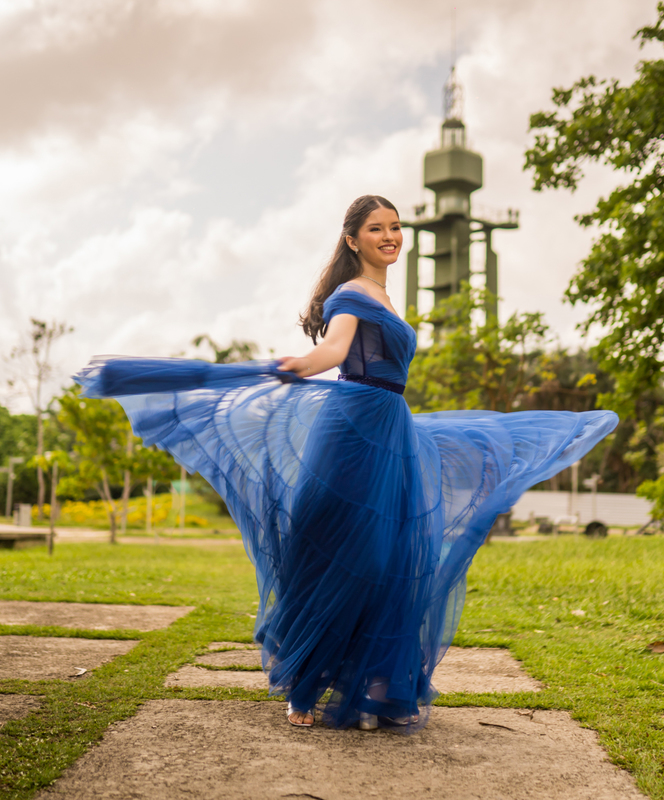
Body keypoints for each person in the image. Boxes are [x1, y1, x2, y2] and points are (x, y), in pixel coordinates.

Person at [75, 195, 618, 732]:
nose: (390, 236)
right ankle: (307, 683)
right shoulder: (351, 294)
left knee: (389, 557)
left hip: (391, 428)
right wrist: (303, 363)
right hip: (352, 426)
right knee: (332, 546)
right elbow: (334, 352)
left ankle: (377, 686)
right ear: (352, 239)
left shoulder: (381, 294)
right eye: (377, 228)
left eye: (396, 226)